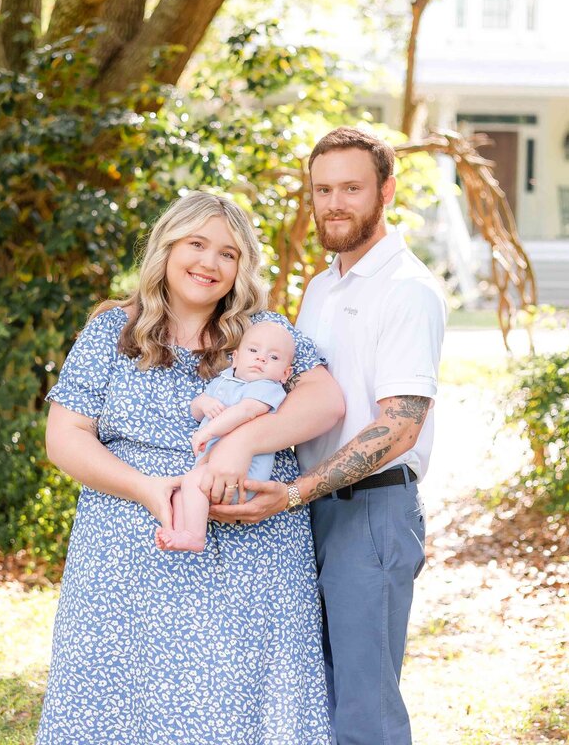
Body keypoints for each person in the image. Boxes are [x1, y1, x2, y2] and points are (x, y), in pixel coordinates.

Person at [36, 190, 342, 745]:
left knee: (235, 710)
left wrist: (240, 442)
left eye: (227, 253)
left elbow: (325, 401)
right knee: (121, 706)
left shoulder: (263, 333)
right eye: (196, 244)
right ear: (166, 247)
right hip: (128, 552)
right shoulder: (112, 330)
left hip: (251, 560)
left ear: (242, 266)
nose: (209, 262)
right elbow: (64, 436)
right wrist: (147, 488)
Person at [208, 127, 446, 745]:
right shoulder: (322, 285)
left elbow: (399, 424)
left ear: (386, 192)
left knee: (365, 709)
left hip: (370, 509)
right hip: (305, 510)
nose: (334, 203)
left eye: (352, 188)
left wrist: (293, 492)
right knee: (314, 697)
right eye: (323, 189)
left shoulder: (408, 291)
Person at [156, 321, 296, 552]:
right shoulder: (223, 381)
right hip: (214, 465)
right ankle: (180, 534)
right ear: (236, 357)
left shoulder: (266, 388)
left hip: (243, 473)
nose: (261, 359)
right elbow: (195, 410)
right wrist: (204, 402)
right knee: (182, 491)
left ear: (285, 373)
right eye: (253, 351)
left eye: (273, 357)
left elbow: (245, 411)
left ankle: (194, 537)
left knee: (192, 483)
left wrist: (208, 431)